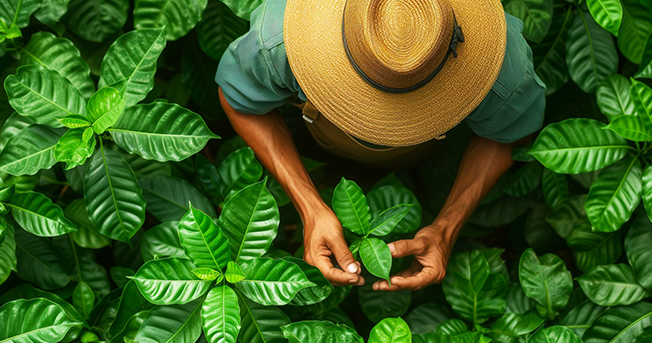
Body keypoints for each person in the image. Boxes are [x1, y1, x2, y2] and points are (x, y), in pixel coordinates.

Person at [215, 0, 546, 291]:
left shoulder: (501, 72)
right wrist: (309, 206)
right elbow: (239, 101)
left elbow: (509, 136)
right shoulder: (280, 41)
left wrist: (448, 225)